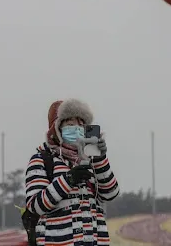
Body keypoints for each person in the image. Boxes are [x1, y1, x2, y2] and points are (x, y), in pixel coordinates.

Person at [24, 99, 119, 246]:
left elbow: (111, 194)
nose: (77, 128)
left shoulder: (91, 159)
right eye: (70, 124)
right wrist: (68, 179)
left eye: (81, 125)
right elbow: (36, 205)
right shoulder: (42, 159)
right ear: (56, 129)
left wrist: (100, 159)